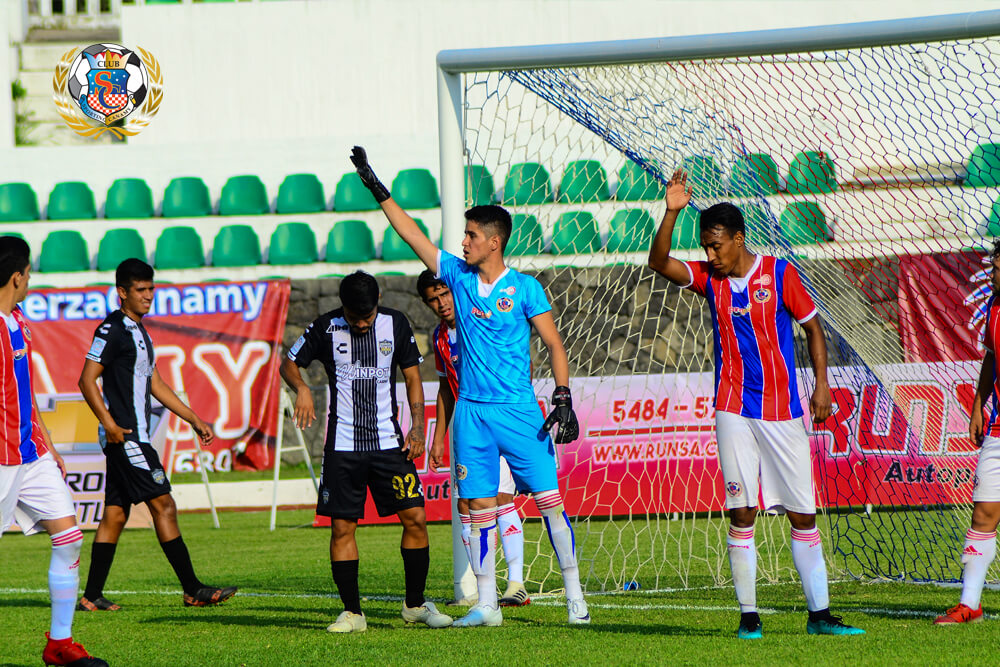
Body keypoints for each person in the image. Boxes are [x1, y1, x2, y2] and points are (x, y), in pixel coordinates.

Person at [351, 146, 588, 627]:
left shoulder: (525, 288)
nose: (463, 242)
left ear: (494, 243)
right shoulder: (456, 277)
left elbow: (554, 344)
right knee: (476, 508)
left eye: (471, 235)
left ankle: (574, 596)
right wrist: (378, 189)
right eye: (464, 235)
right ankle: (487, 604)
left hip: (520, 411)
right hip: (472, 415)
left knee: (549, 503)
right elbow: (412, 235)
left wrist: (562, 397)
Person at [647, 171, 864, 639]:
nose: (710, 255)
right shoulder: (709, 280)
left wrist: (822, 386)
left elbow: (813, 328)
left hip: (783, 410)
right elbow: (658, 261)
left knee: (802, 515)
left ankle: (820, 616)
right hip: (733, 409)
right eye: (705, 247)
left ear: (739, 239)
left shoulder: (780, 273)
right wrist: (671, 212)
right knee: (741, 512)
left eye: (716, 246)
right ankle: (749, 617)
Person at [281, 270, 452, 633]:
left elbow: (412, 377)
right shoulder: (326, 327)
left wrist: (417, 428)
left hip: (389, 445)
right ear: (342, 307)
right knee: (342, 527)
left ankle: (415, 605)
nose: (361, 324)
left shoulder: (396, 323)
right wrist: (303, 388)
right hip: (342, 448)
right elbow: (288, 363)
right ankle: (353, 613)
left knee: (416, 518)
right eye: (354, 317)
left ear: (378, 303)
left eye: (367, 317)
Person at [77, 258, 236, 611]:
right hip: (127, 437)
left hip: (133, 436)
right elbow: (86, 380)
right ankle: (192, 589)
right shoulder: (112, 329)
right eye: (141, 290)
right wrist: (110, 425)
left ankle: (91, 596)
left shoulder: (141, 331)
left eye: (151, 288)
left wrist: (193, 418)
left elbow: (156, 383)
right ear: (122, 292)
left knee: (115, 514)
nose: (149, 295)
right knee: (164, 504)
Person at [0, 236, 108, 667]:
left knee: (68, 537)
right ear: (17, 276)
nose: (30, 281)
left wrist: (48, 443)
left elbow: (23, 392)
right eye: (28, 274)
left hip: (32, 454)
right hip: (2, 459)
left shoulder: (18, 321)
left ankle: (59, 644)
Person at [417, 270, 529, 607]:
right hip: (468, 429)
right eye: (433, 299)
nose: (441, 303)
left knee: (500, 497)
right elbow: (445, 389)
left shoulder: (481, 319)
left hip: (499, 418)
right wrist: (438, 438)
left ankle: (516, 583)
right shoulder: (440, 337)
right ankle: (484, 590)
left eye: (445, 294)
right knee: (465, 505)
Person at [934, 240, 1000, 625]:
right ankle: (970, 604)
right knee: (983, 514)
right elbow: (991, 358)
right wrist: (978, 405)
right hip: (998, 429)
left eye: (998, 269)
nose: (993, 275)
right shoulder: (994, 307)